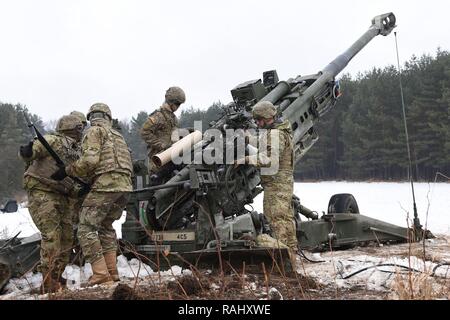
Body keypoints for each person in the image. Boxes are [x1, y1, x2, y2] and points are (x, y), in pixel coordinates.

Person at [51, 103, 133, 286]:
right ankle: (112, 273)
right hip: (125, 187)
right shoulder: (118, 136)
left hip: (106, 185)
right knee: (105, 227)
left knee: (86, 228)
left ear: (91, 117)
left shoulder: (93, 131)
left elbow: (90, 161)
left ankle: (101, 275)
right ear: (108, 117)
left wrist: (68, 170)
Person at [19, 115, 84, 292]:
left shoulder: (78, 149)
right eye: (78, 127)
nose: (81, 130)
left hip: (62, 194)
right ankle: (48, 279)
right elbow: (34, 151)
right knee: (52, 236)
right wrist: (28, 152)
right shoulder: (53, 140)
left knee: (67, 237)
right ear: (69, 128)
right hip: (42, 190)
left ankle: (56, 275)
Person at [236, 101, 298, 260]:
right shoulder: (279, 130)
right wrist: (248, 138)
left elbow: (270, 159)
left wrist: (247, 159)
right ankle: (291, 257)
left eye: (258, 120)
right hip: (282, 185)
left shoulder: (276, 134)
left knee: (277, 223)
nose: (257, 123)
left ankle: (282, 263)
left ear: (265, 117)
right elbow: (266, 144)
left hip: (276, 187)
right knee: (287, 222)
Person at [140, 86, 186, 176]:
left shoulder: (174, 119)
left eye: (179, 104)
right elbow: (144, 132)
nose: (178, 107)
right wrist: (161, 145)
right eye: (177, 104)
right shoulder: (158, 116)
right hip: (158, 162)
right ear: (171, 102)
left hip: (172, 160)